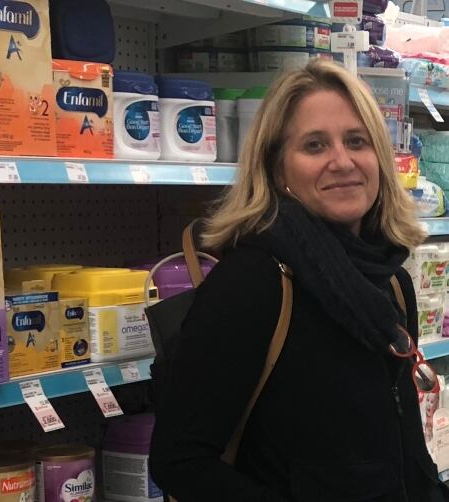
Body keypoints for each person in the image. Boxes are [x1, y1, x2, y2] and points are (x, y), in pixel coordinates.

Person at [149, 60, 449, 501]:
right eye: (314, 145)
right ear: (277, 169)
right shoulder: (255, 283)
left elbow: (402, 451)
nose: (342, 161)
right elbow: (180, 461)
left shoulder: (391, 284)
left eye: (357, 141)